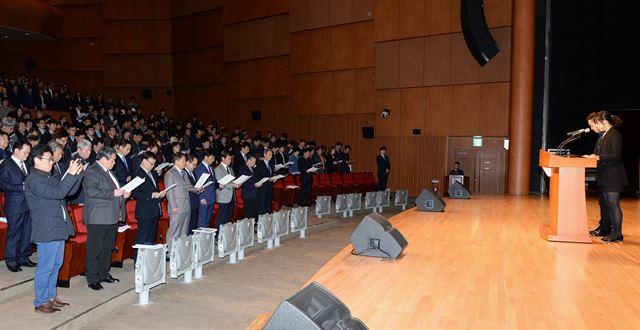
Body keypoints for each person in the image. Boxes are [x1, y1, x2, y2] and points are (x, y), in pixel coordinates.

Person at [25, 145, 84, 313]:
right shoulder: (34, 179)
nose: (52, 162)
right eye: (49, 159)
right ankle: (41, 301)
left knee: (56, 264)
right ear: (37, 160)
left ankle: (50, 296)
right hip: (46, 228)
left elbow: (69, 192)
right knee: (46, 267)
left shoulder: (49, 176)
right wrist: (70, 174)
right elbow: (58, 193)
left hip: (58, 226)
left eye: (52, 159)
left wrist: (78, 174)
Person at [83, 147, 129, 290]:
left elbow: (114, 192)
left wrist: (122, 194)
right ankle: (92, 278)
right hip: (98, 217)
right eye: (113, 160)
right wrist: (114, 192)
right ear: (103, 159)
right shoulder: (92, 171)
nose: (114, 163)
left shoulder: (108, 172)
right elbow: (91, 191)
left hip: (111, 215)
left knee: (108, 247)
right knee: (95, 248)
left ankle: (104, 273)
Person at [584, 111, 628, 243]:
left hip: (613, 175)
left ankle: (617, 233)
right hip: (604, 174)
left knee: (613, 204)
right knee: (604, 204)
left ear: (602, 122)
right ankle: (605, 228)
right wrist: (591, 157)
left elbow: (616, 155)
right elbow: (599, 154)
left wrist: (597, 157)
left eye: (593, 125)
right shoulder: (603, 135)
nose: (592, 128)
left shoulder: (614, 134)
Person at [1, 140, 35, 272]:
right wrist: (21, 187)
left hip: (28, 203)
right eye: (25, 152)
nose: (27, 155)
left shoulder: (25, 163)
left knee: (27, 231)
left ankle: (23, 257)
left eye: (28, 153)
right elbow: (2, 184)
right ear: (16, 150)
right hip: (15, 204)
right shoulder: (6, 164)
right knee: (14, 233)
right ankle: (11, 260)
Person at [131, 152, 166, 261]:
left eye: (154, 164)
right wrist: (151, 195)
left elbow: (155, 189)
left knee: (151, 237)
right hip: (144, 210)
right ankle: (138, 261)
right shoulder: (137, 174)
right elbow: (135, 193)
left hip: (154, 209)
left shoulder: (153, 174)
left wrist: (160, 194)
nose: (153, 166)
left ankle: (149, 259)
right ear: (144, 161)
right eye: (151, 163)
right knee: (142, 237)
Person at [164, 153, 200, 250]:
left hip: (186, 205)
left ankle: (181, 250)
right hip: (177, 206)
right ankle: (171, 251)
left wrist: (197, 189)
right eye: (183, 161)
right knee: (174, 230)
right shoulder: (170, 173)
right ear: (177, 161)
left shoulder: (184, 173)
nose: (185, 163)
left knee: (184, 230)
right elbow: (169, 192)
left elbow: (188, 186)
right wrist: (173, 206)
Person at [214, 150, 240, 233]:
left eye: (231, 159)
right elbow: (221, 183)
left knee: (228, 217)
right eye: (229, 158)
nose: (230, 160)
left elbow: (232, 181)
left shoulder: (230, 168)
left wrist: (237, 183)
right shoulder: (218, 169)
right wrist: (233, 185)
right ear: (223, 158)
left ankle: (225, 234)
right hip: (223, 196)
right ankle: (218, 235)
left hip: (231, 196)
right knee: (222, 218)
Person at [194, 149, 217, 229]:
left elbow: (214, 182)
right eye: (211, 158)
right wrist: (201, 197)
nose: (213, 160)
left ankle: (205, 238)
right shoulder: (199, 168)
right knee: (202, 220)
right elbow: (198, 184)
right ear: (205, 157)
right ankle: (200, 239)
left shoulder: (211, 168)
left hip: (211, 196)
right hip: (204, 197)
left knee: (208, 219)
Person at [255, 148, 275, 215]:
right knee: (262, 205)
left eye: (271, 155)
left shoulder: (271, 164)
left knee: (268, 204)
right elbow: (256, 176)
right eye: (269, 154)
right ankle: (261, 221)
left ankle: (267, 220)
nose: (271, 156)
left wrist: (273, 179)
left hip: (269, 187)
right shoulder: (260, 164)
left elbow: (270, 175)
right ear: (264, 155)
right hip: (262, 188)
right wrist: (266, 179)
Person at [185, 155, 201, 233]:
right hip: (189, 202)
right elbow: (188, 187)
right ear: (187, 162)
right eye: (193, 164)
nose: (195, 167)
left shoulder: (192, 173)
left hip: (195, 201)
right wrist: (196, 189)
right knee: (189, 225)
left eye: (196, 165)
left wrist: (199, 190)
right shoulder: (183, 173)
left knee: (194, 224)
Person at [239, 154, 258, 221]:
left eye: (255, 162)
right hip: (248, 193)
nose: (254, 163)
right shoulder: (243, 169)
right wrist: (255, 184)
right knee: (248, 212)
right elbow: (245, 181)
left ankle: (253, 226)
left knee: (254, 211)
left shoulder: (252, 169)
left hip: (254, 192)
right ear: (248, 161)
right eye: (253, 161)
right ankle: (246, 228)